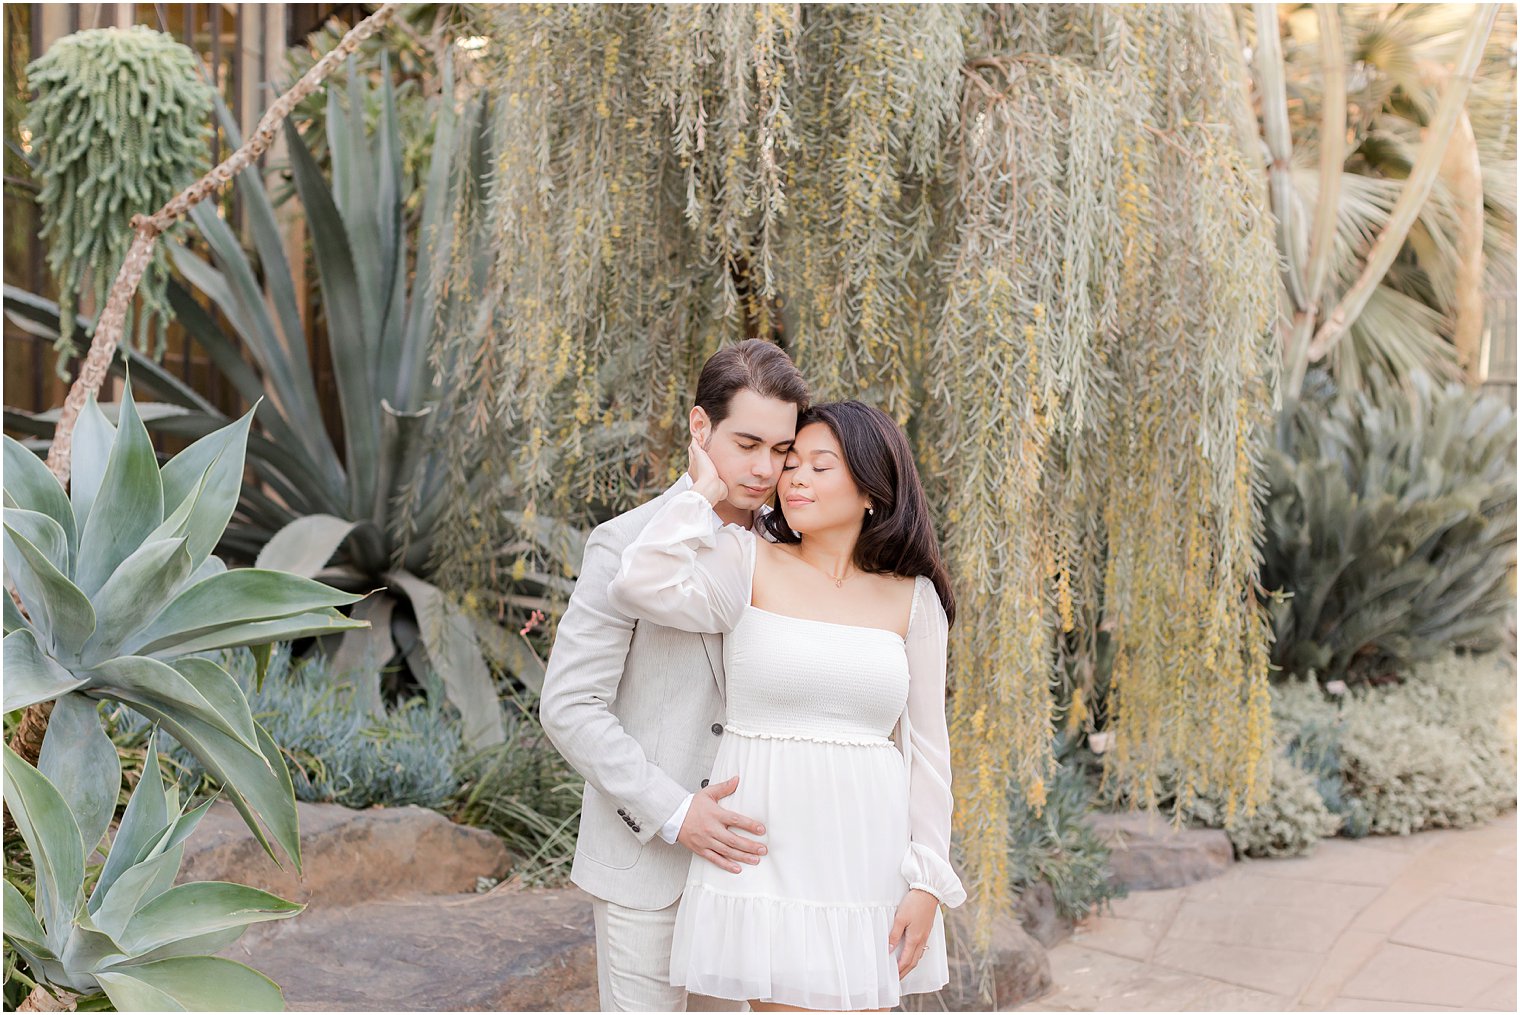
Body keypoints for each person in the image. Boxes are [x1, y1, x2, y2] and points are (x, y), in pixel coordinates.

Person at [606, 400, 965, 1013]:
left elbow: (929, 751)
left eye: (819, 467)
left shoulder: (914, 599)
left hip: (866, 858)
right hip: (764, 851)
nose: (794, 477)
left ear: (872, 490)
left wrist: (928, 881)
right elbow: (641, 582)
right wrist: (701, 492)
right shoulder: (744, 557)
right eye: (790, 464)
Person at [539, 339, 809, 1012]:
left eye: (781, 450)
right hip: (646, 866)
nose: (763, 467)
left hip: (752, 870)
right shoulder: (623, 545)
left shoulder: (791, 553)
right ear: (699, 427)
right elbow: (571, 706)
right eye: (747, 443)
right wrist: (674, 811)